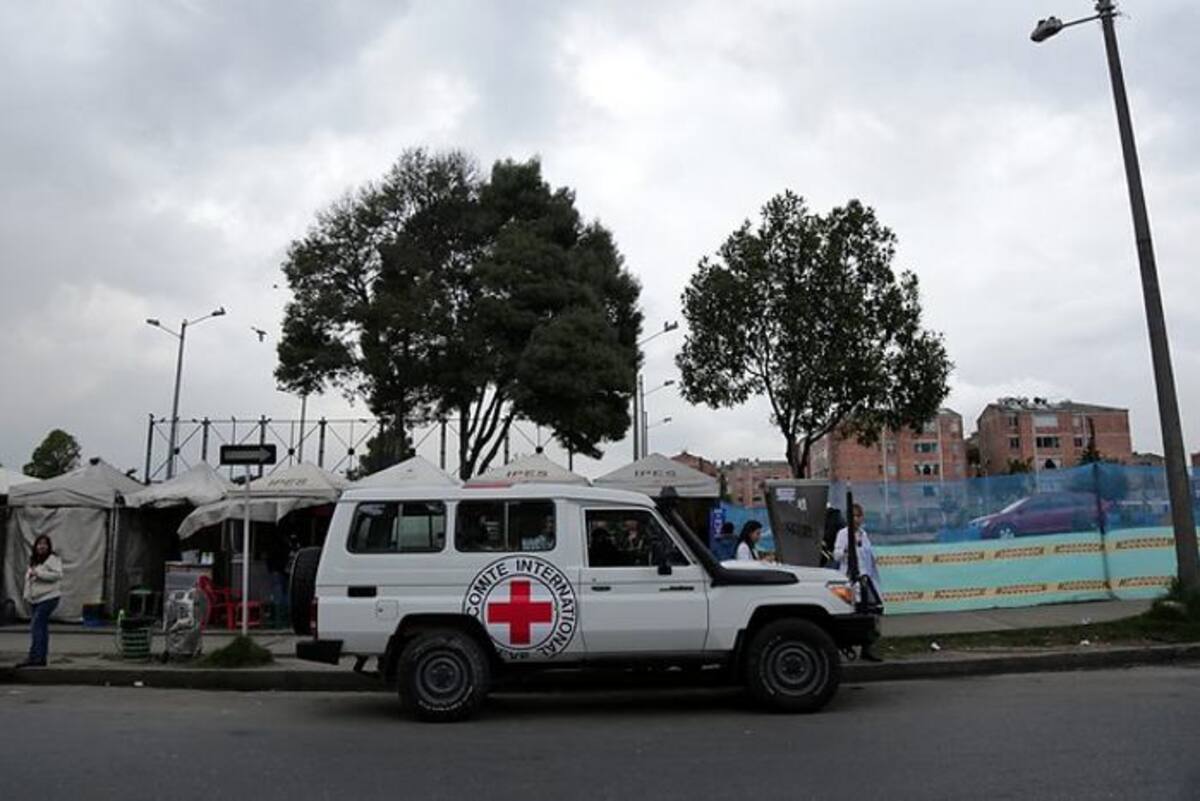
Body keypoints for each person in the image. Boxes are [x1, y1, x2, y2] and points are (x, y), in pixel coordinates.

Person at [833, 504, 883, 661]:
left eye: (858, 516)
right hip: (849, 579)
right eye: (853, 516)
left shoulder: (863, 534)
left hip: (864, 579)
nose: (856, 519)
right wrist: (848, 549)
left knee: (871, 613)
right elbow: (836, 555)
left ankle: (867, 648)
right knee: (851, 614)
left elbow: (868, 556)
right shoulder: (843, 534)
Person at [19, 535, 63, 668]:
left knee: (37, 626)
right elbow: (29, 580)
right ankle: (38, 657)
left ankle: (36, 657)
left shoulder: (52, 559)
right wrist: (27, 596)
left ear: (49, 546)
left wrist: (39, 574)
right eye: (39, 544)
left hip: (49, 597)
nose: (41, 546)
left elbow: (57, 575)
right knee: (40, 628)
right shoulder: (34, 561)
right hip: (35, 599)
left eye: (45, 544)